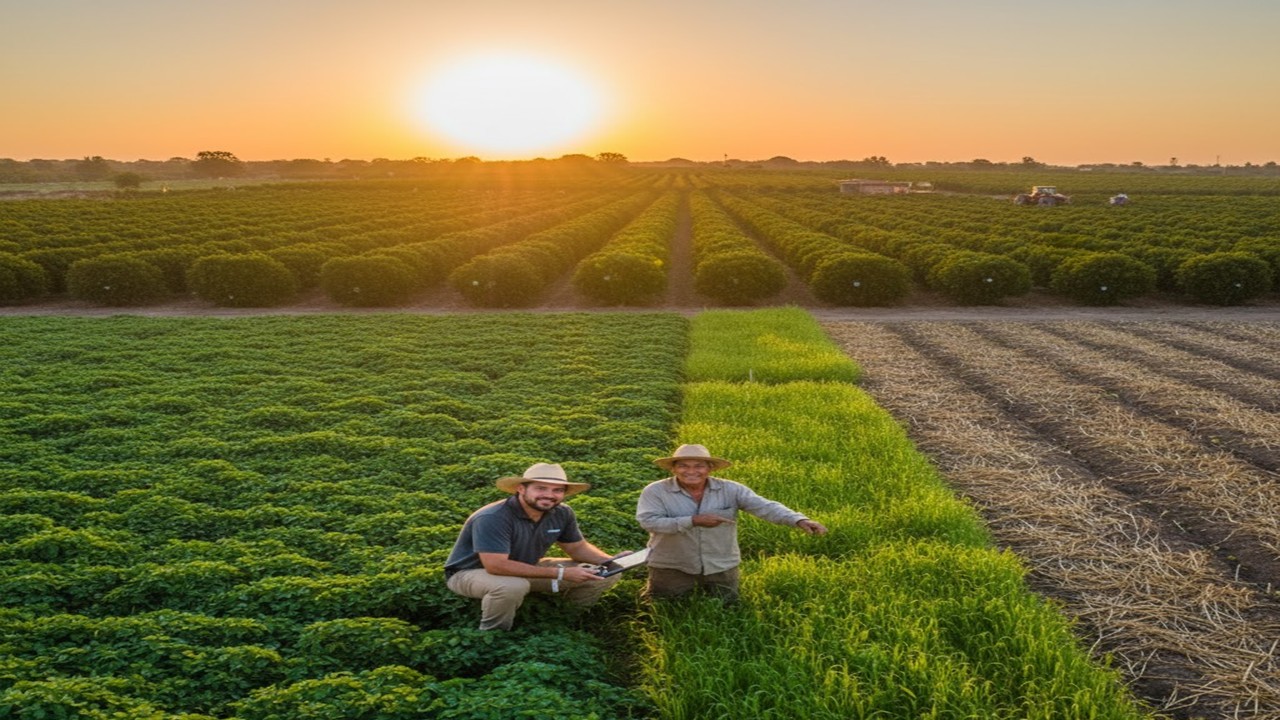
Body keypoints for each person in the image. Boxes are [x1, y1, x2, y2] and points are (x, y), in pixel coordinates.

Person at [444, 462, 627, 631]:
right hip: (471, 573)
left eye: (557, 490)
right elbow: (495, 565)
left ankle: (561, 622)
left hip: (525, 568)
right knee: (513, 586)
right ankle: (494, 634)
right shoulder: (493, 517)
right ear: (521, 489)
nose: (549, 495)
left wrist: (612, 561)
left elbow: (577, 548)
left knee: (604, 573)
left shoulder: (562, 512)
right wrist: (561, 574)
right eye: (541, 488)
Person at [636, 444, 827, 602]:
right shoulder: (655, 491)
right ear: (674, 468)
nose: (691, 471)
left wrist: (798, 519)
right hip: (672, 564)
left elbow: (764, 506)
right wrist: (693, 521)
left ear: (710, 468)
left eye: (699, 466)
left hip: (720, 563)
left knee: (727, 607)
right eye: (684, 466)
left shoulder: (731, 489)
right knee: (664, 607)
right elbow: (648, 521)